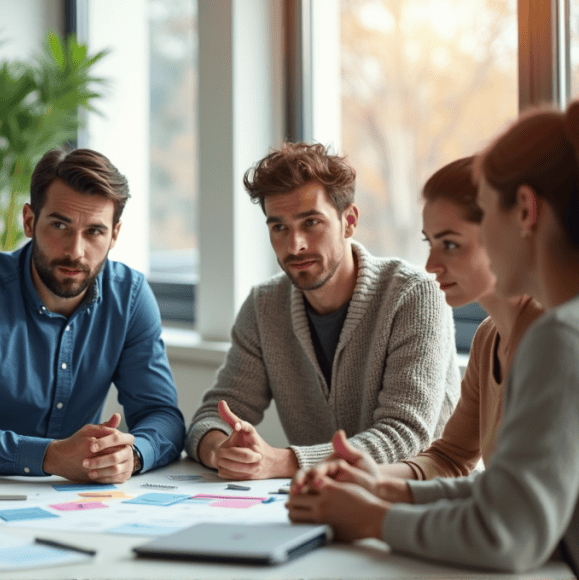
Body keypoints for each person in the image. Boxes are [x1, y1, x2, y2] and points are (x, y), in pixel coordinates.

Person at [287, 102, 579, 573]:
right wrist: (385, 487)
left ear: (525, 210)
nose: (431, 265)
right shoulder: (507, 336)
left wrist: (372, 519)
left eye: (483, 214)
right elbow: (504, 485)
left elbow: (506, 534)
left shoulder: (560, 337)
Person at [185, 142, 459, 481]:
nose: (294, 244)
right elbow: (212, 416)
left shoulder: (413, 295)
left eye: (311, 222)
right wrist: (220, 449)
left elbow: (404, 434)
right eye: (279, 227)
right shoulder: (264, 305)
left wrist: (284, 462)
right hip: (327, 499)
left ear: (349, 222)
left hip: (422, 501)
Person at [0, 148, 185, 483]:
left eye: (94, 232)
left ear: (114, 235)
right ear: (29, 221)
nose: (75, 251)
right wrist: (51, 456)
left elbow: (163, 417)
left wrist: (132, 455)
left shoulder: (129, 297)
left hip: (76, 501)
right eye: (60, 225)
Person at [336, 157, 543, 488]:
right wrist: (371, 475)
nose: (431, 264)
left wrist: (384, 504)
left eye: (450, 244)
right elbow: (450, 457)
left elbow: (516, 491)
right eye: (429, 243)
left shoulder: (553, 339)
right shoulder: (489, 337)